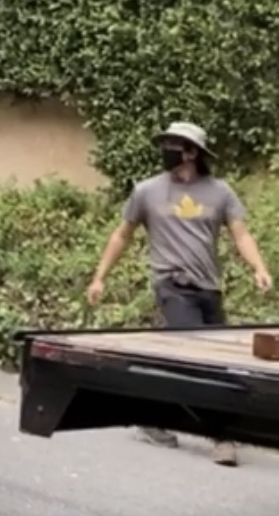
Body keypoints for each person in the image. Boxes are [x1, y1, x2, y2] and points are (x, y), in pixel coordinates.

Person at [87, 119, 272, 467]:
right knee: (200, 357)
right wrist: (99, 278)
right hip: (172, 285)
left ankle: (152, 418)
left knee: (207, 358)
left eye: (175, 144)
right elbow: (122, 235)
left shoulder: (220, 192)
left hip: (209, 288)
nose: (167, 150)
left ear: (193, 153)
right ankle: (221, 436)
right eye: (166, 143)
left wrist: (259, 269)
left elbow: (241, 235)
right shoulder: (146, 191)